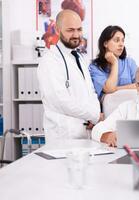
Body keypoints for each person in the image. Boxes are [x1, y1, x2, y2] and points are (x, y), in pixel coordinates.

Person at [37, 10, 101, 143]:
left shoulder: (79, 58)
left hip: (86, 135)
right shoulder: (50, 61)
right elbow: (60, 101)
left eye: (79, 29)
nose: (76, 35)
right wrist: (94, 115)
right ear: (57, 29)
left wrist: (94, 116)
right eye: (70, 30)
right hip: (63, 138)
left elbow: (91, 92)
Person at [89, 25, 137, 98]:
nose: (121, 44)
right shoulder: (95, 67)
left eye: (122, 40)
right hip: (108, 108)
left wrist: (116, 89)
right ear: (105, 44)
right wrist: (114, 63)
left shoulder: (129, 62)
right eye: (117, 40)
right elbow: (108, 88)